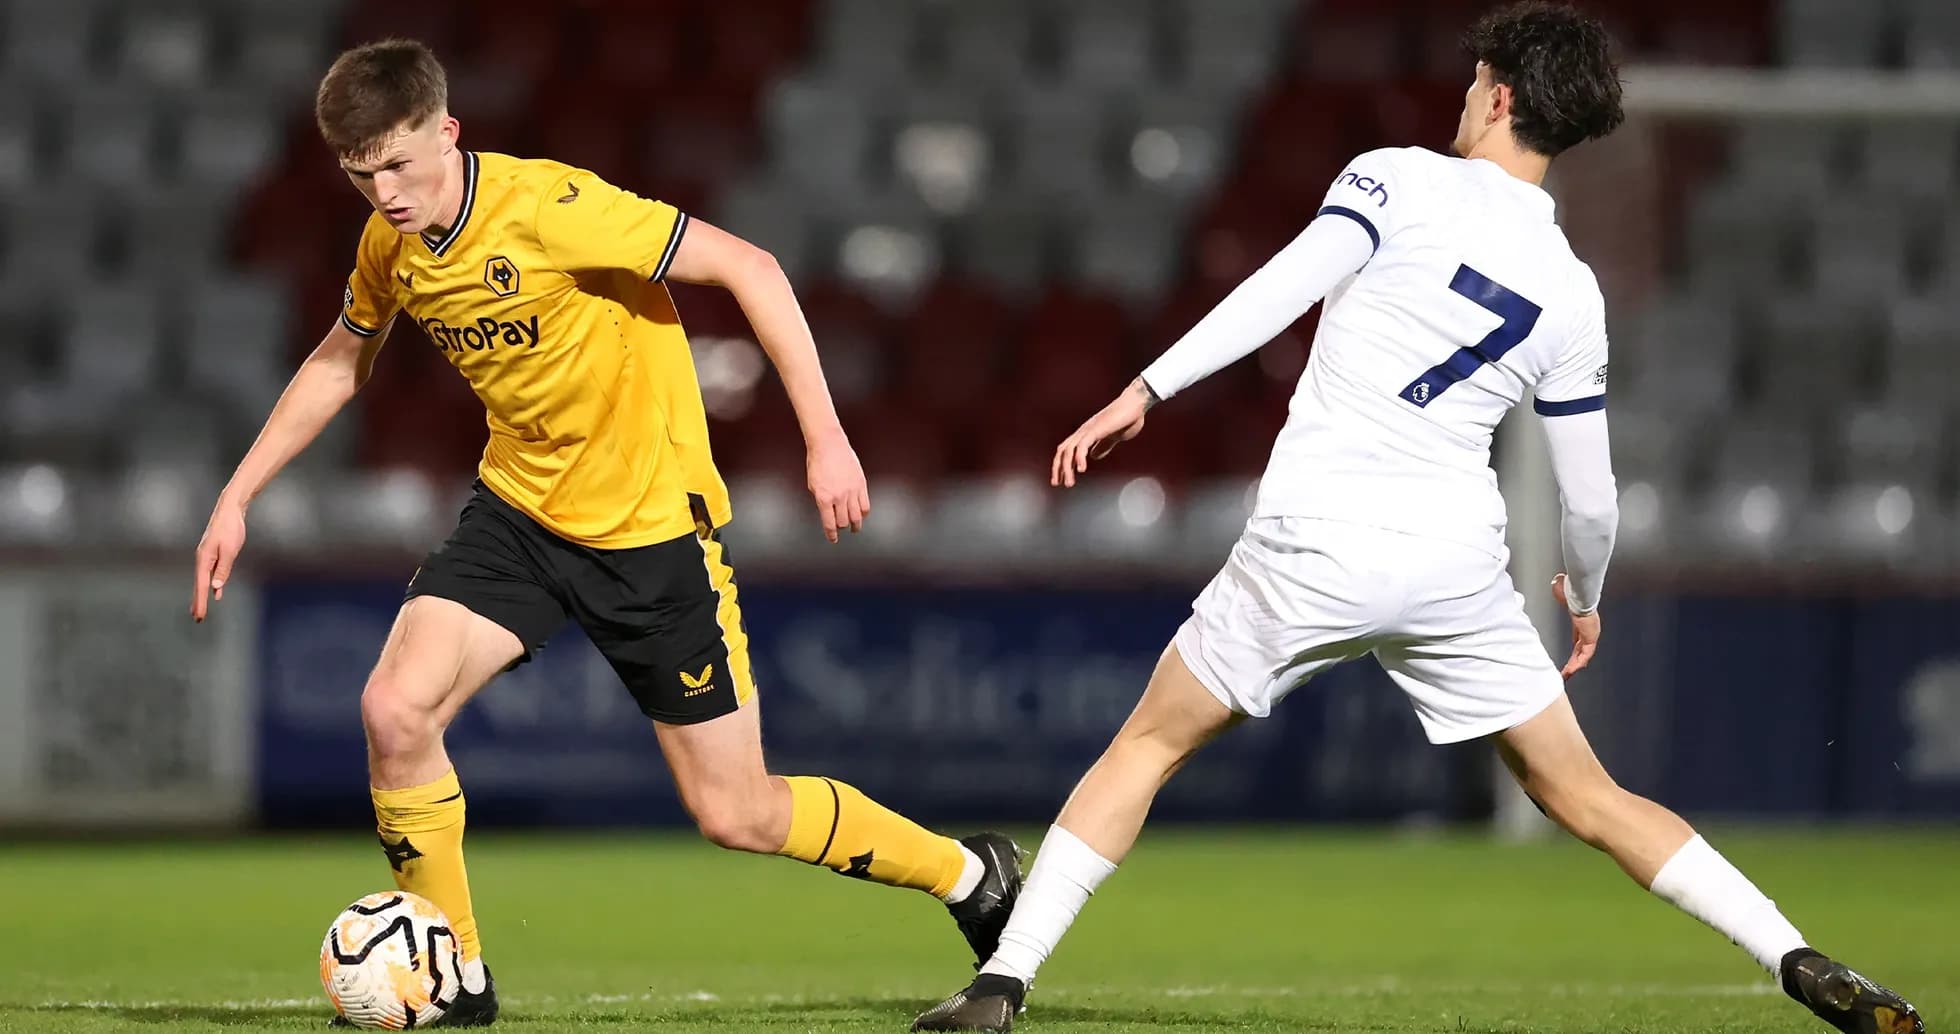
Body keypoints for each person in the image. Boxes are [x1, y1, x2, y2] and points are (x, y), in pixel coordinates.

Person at [911, 5, 1921, 1033]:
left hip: (1317, 536)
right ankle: (1797, 955)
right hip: (1453, 566)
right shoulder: (1571, 292)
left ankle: (1003, 981)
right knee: (1589, 796)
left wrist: (1146, 388)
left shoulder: (1393, 176)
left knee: (1146, 746)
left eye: (1473, 76)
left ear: (1501, 92)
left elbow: (1283, 286)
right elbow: (1591, 495)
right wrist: (1588, 594)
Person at [189, 38, 1023, 1028]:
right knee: (394, 711)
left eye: (402, 164)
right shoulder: (390, 245)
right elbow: (341, 358)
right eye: (361, 174)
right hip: (519, 514)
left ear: (448, 132)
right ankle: (455, 975)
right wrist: (236, 493)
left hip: (648, 530)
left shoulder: (551, 207)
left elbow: (749, 267)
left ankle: (970, 872)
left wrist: (826, 437)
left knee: (737, 813)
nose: (386, 192)